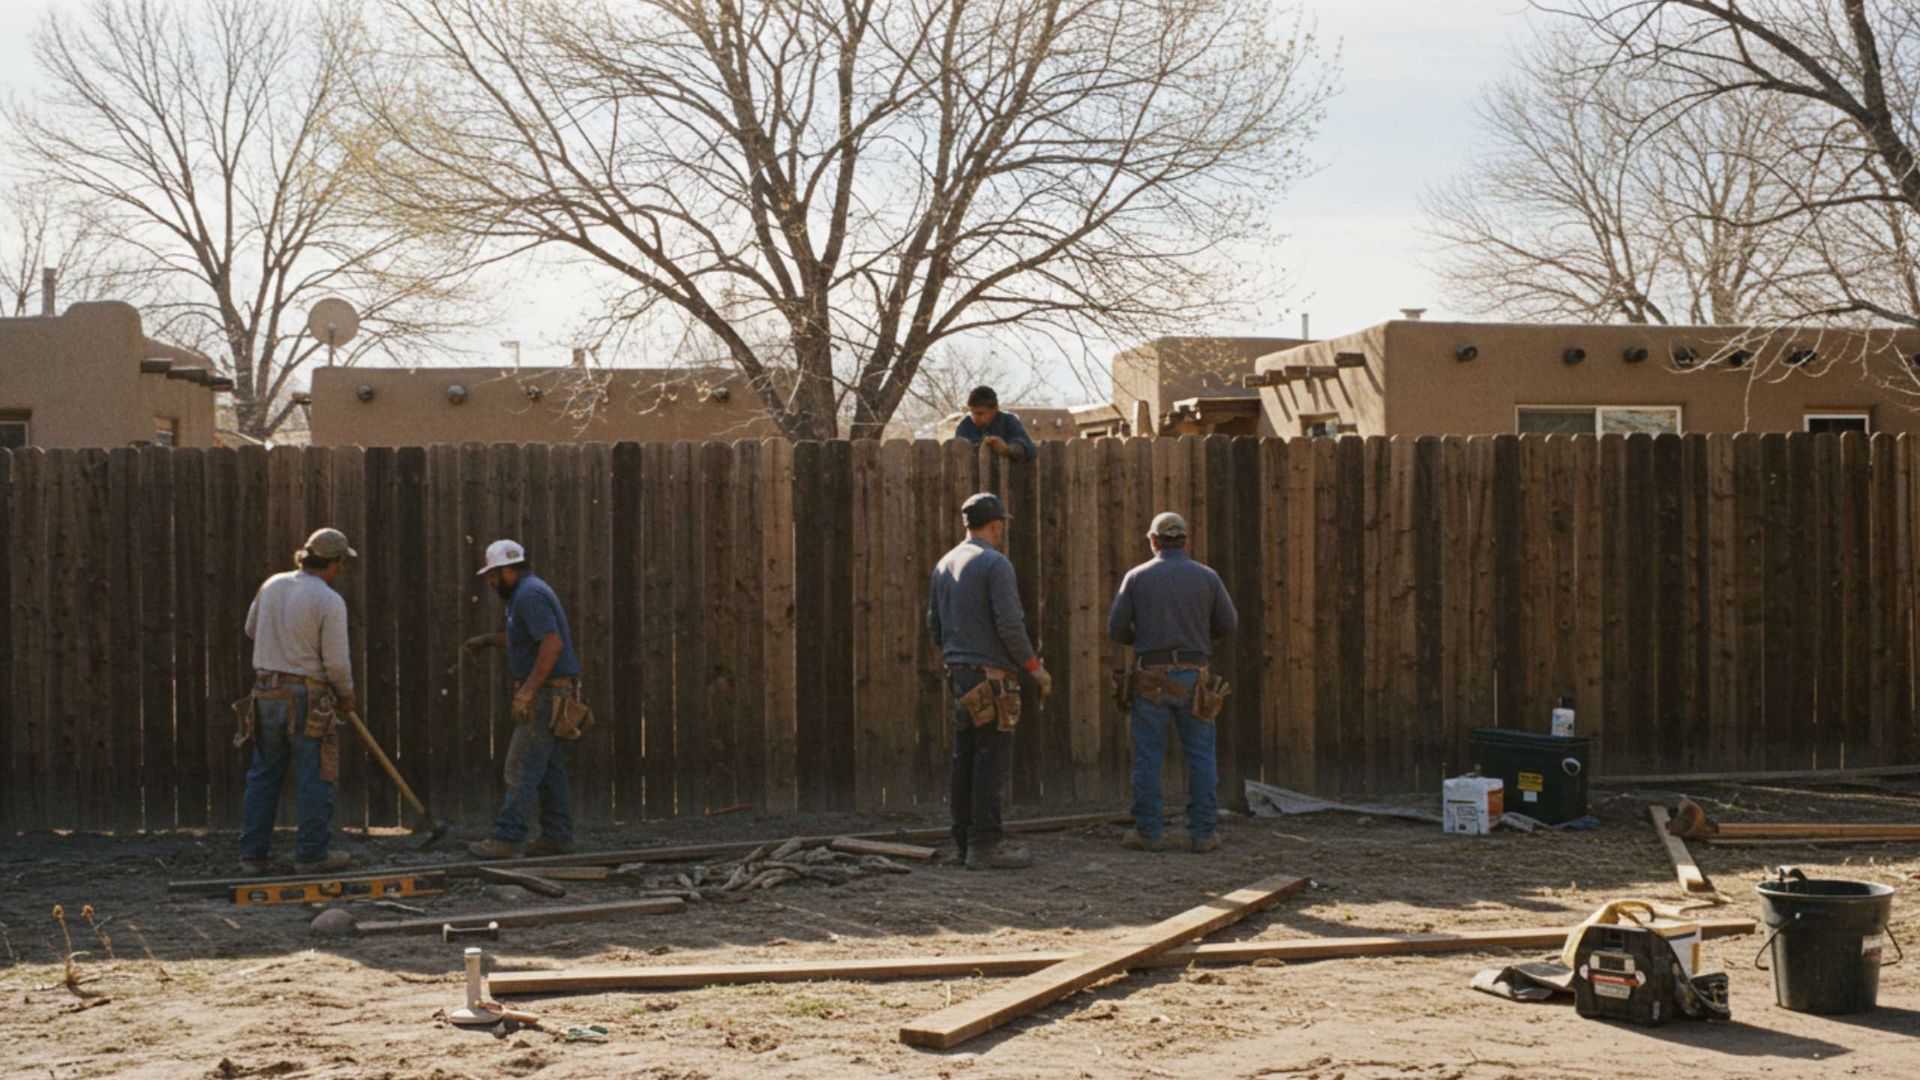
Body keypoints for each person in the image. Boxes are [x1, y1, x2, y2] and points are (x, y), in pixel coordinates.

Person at [927, 493, 1052, 869]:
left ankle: (963, 843)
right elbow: (1011, 626)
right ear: (996, 525)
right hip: (992, 678)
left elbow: (934, 625)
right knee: (991, 760)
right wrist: (1035, 669)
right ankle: (986, 845)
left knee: (964, 758)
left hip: (960, 675)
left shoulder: (944, 564)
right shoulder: (995, 564)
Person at [1106, 512, 1238, 854]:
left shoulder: (1136, 578)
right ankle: (1204, 834)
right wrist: (1198, 637)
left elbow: (1116, 629)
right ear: (1186, 540)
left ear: (1153, 540)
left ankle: (1149, 832)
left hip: (1151, 677)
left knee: (1148, 756)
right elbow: (1228, 623)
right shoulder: (1207, 577)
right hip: (1195, 677)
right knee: (1201, 756)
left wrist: (1145, 636)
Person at [237, 528, 359, 875]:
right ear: (334, 562)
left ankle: (252, 856)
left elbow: (251, 628)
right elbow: (335, 661)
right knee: (316, 776)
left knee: (263, 774)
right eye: (341, 564)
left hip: (265, 692)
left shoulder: (272, 585)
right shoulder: (328, 600)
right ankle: (310, 856)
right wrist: (346, 695)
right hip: (305, 695)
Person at [464, 539, 583, 858]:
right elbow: (525, 638)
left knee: (520, 766)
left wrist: (528, 690)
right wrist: (488, 640)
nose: (490, 583)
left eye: (492, 575)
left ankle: (508, 837)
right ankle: (557, 836)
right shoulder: (528, 592)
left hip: (545, 694)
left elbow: (552, 643)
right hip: (555, 690)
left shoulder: (529, 596)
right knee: (549, 769)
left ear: (506, 571)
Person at [953, 385, 1037, 461]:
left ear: (995, 409)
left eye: (980, 414)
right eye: (972, 413)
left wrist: (1007, 449)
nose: (975, 418)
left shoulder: (1008, 421)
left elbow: (1027, 447)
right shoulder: (966, 426)